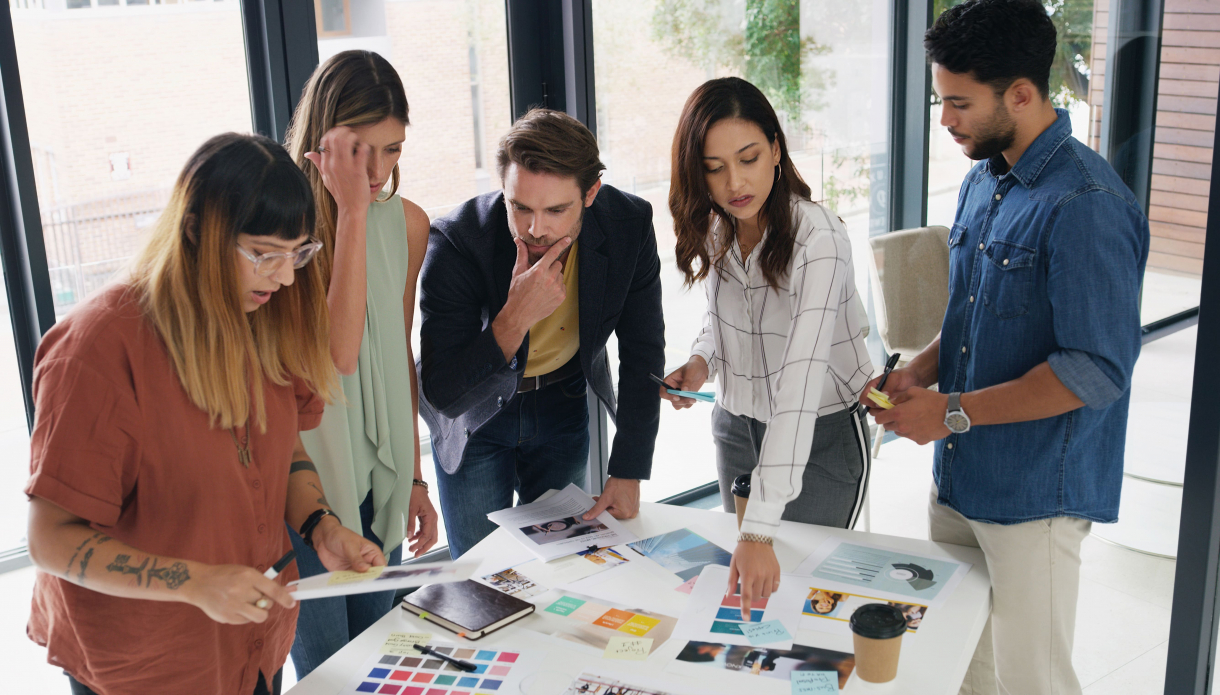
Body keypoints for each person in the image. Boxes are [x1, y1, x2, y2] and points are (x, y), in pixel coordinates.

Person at [24, 133, 386, 695]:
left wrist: (322, 526)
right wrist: (195, 583)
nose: (285, 277)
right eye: (264, 254)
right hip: (146, 663)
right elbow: (51, 539)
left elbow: (284, 445)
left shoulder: (268, 317)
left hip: (253, 648)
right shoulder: (96, 349)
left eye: (298, 254)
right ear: (195, 229)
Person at [868, 2, 1149, 693]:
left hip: (1035, 496)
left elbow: (1096, 369)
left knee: (1034, 680)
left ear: (1020, 94)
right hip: (960, 479)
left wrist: (951, 412)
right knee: (963, 664)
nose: (945, 119)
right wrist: (919, 372)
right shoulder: (983, 177)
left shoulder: (1085, 203)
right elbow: (969, 312)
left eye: (959, 103)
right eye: (942, 100)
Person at [662, 77, 873, 619]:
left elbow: (800, 384)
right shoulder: (719, 230)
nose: (735, 182)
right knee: (754, 611)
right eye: (714, 167)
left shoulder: (820, 240)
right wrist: (701, 362)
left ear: (776, 150)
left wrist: (758, 530)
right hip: (737, 430)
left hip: (821, 433)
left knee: (807, 603)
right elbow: (720, 321)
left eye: (749, 158)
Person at [417, 108, 665, 558]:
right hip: (475, 418)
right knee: (482, 574)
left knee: (565, 563)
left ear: (591, 193)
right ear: (504, 190)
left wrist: (629, 470)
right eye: (520, 207)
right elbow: (442, 393)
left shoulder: (628, 224)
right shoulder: (457, 240)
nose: (536, 229)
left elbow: (643, 351)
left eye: (556, 210)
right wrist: (514, 319)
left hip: (562, 404)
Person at [282, 49, 439, 677]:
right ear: (323, 142)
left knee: (383, 665)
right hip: (306, 493)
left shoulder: (408, 224)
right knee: (325, 672)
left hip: (381, 482)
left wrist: (418, 479)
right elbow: (331, 359)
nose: (377, 170)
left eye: (393, 149)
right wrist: (346, 212)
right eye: (360, 151)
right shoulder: (282, 230)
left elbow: (397, 353)